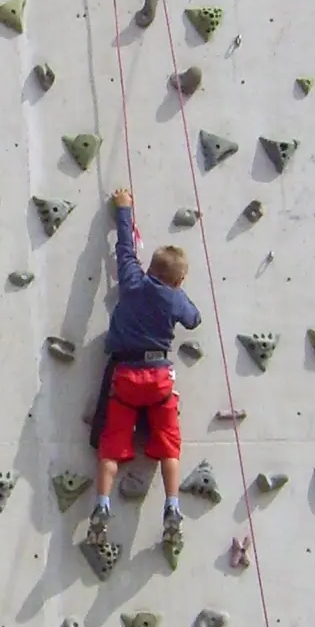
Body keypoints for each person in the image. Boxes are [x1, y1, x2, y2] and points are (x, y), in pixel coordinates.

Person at [89, 188, 201, 538]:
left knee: (111, 446)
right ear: (179, 279)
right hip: (158, 378)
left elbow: (124, 249)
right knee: (169, 446)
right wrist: (177, 294)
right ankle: (172, 506)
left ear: (148, 268)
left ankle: (102, 504)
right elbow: (194, 319)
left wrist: (124, 210)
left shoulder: (133, 281)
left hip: (124, 376)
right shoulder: (175, 298)